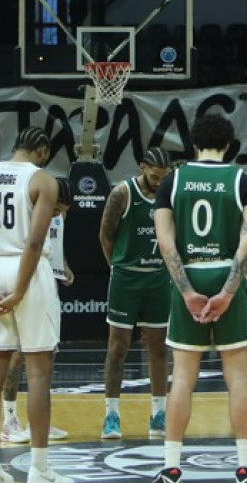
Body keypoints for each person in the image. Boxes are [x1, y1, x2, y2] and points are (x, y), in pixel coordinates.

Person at [150, 113, 247, 483]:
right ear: (229, 145)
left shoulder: (173, 180)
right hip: (227, 271)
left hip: (190, 273)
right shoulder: (243, 181)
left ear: (194, 143)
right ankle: (245, 467)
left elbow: (165, 243)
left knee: (182, 378)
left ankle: (170, 467)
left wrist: (185, 291)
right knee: (238, 379)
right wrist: (229, 291)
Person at [0, 126, 71, 483]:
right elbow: (36, 242)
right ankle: (40, 469)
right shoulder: (43, 180)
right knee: (39, 372)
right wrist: (22, 289)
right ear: (41, 149)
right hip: (29, 273)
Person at [98, 147, 173, 441]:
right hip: (127, 278)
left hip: (158, 278)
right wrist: (118, 266)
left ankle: (158, 412)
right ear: (143, 167)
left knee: (158, 348)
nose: (159, 181)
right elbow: (105, 236)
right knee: (118, 348)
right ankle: (111, 414)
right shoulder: (121, 193)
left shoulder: (170, 194)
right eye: (155, 176)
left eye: (164, 177)